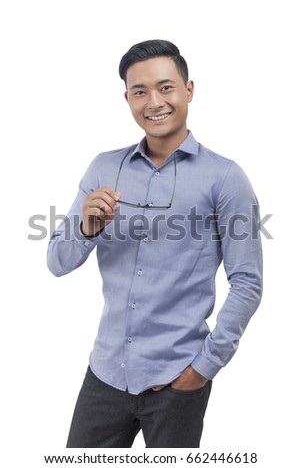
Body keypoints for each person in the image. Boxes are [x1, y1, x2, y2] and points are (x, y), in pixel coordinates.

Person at [47, 39, 263, 448]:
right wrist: (86, 227)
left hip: (178, 380)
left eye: (166, 87)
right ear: (127, 98)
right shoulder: (103, 167)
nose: (154, 101)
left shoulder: (226, 178)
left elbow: (248, 283)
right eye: (140, 91)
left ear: (189, 90)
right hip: (105, 375)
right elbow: (57, 261)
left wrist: (202, 368)